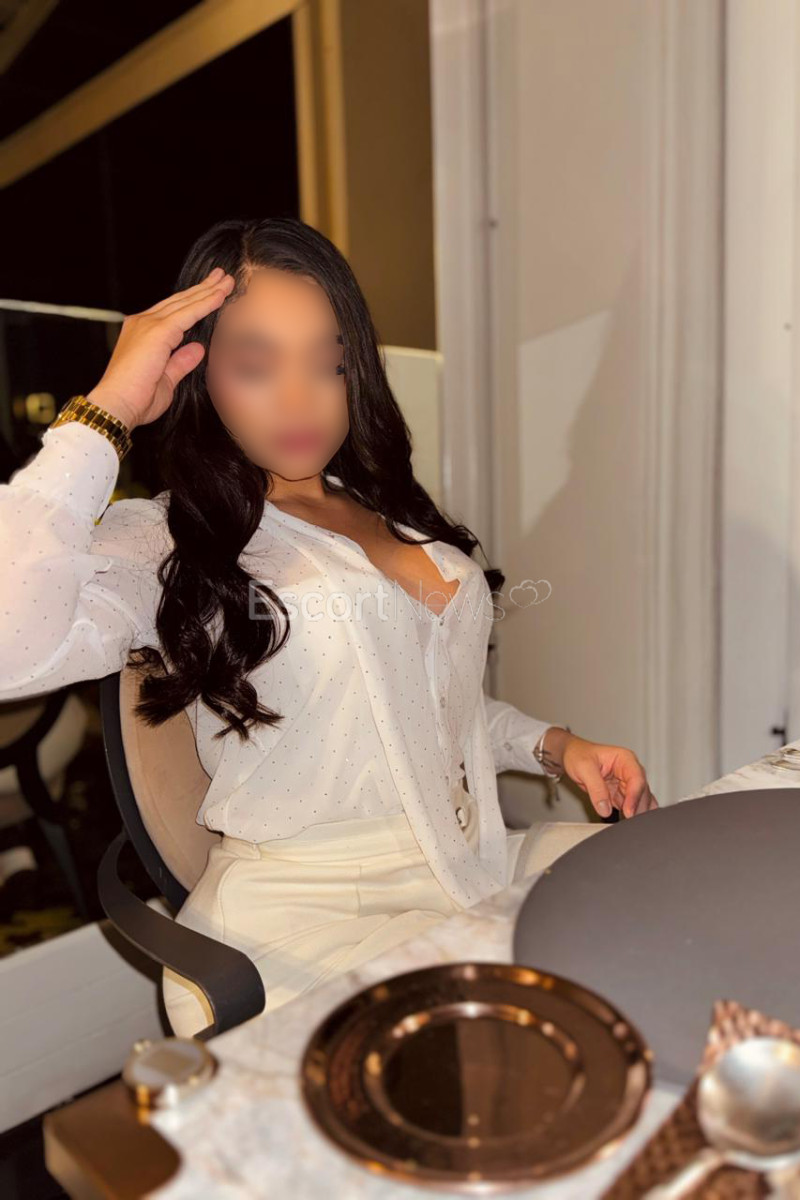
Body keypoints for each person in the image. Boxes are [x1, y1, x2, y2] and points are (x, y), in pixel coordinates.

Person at [0, 216, 657, 1037]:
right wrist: (108, 411)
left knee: (675, 887)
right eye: (256, 366)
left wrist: (557, 747)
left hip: (471, 858)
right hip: (305, 917)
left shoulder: (387, 507)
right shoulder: (172, 538)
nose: (299, 398)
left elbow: (425, 715)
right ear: (200, 374)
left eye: (328, 363)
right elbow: (11, 647)